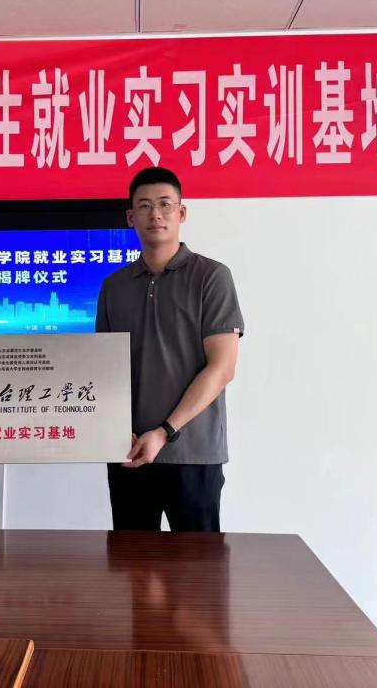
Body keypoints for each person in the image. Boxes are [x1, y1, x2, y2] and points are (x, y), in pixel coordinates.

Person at [96, 167, 243, 532]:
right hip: (129, 453)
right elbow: (103, 371)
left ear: (182, 213)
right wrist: (116, 429)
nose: (155, 214)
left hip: (194, 455)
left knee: (197, 565)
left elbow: (222, 368)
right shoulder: (114, 287)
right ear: (131, 217)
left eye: (165, 204)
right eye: (144, 206)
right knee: (131, 563)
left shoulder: (212, 277)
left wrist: (164, 431)